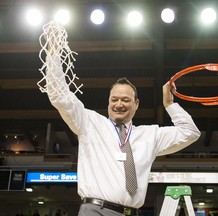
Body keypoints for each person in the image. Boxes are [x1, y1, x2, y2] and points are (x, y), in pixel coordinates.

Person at [43, 32, 200, 216]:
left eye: (125, 100)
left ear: (136, 104)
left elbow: (190, 132)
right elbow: (59, 95)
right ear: (108, 102)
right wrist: (53, 53)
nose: (119, 104)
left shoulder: (150, 135)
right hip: (96, 211)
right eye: (114, 99)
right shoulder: (89, 123)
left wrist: (170, 105)